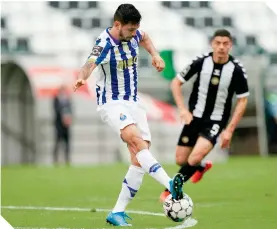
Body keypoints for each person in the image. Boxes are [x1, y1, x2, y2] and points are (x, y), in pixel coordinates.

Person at [73, 4, 184, 226]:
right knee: (135, 140)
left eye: (135, 29)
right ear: (117, 25)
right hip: (112, 103)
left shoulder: (135, 34)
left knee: (138, 158)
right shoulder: (103, 43)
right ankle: (170, 184)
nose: (134, 34)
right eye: (130, 30)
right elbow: (89, 63)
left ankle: (117, 212)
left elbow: (145, 37)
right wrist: (82, 77)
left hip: (134, 102)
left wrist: (155, 55)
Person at [160, 29, 249, 202]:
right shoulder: (201, 62)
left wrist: (229, 130)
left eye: (225, 43)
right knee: (181, 160)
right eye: (218, 43)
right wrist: (182, 110)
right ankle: (201, 167)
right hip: (194, 118)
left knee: (193, 158)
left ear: (230, 45)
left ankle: (169, 191)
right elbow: (176, 83)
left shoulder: (236, 70)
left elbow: (243, 100)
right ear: (212, 44)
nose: (221, 47)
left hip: (215, 122)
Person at [53, 85, 73, 165]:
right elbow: (56, 110)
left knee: (67, 143)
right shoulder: (56, 99)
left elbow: (71, 110)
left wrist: (68, 118)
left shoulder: (68, 100)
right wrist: (63, 117)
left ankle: (67, 159)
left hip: (66, 125)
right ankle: (55, 159)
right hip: (59, 125)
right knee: (58, 142)